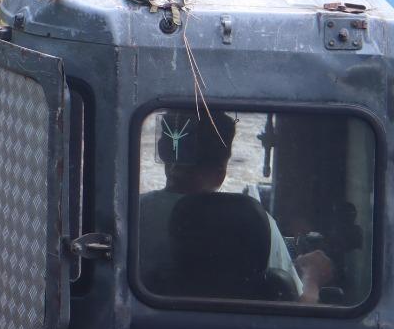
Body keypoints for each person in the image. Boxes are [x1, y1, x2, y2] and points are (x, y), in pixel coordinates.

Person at [139, 110, 333, 304]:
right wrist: (312, 277)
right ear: (221, 173)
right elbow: (296, 313)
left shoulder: (134, 213)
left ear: (165, 155)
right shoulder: (253, 221)